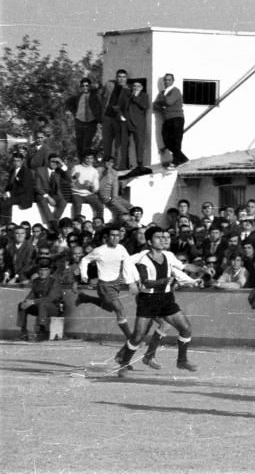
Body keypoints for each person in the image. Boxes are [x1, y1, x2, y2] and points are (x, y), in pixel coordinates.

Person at [115, 226, 201, 375]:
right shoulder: (143, 258)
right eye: (158, 237)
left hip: (166, 299)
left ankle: (181, 361)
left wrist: (203, 269)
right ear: (149, 241)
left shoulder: (168, 255)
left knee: (186, 328)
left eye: (163, 237)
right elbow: (147, 282)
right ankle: (124, 364)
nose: (163, 240)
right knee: (137, 336)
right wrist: (161, 281)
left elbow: (185, 266)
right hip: (148, 300)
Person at [77, 226, 136, 345]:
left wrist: (132, 281)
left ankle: (85, 298)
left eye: (117, 235)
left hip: (117, 282)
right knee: (119, 309)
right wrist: (84, 275)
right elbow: (85, 260)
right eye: (112, 235)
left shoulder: (121, 248)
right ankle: (131, 338)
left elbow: (128, 263)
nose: (115, 238)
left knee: (110, 308)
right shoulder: (99, 250)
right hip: (104, 284)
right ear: (107, 237)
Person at [16, 259, 63, 341]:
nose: (42, 272)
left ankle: (42, 331)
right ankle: (23, 331)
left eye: (45, 270)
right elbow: (32, 294)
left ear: (49, 271)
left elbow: (50, 298)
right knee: (21, 304)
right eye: (41, 270)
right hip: (42, 307)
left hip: (55, 308)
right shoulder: (36, 281)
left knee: (43, 304)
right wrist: (26, 301)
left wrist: (33, 301)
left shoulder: (54, 281)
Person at [153, 73, 189, 167]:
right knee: (167, 140)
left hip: (177, 118)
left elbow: (169, 101)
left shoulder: (175, 91)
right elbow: (155, 106)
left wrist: (162, 102)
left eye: (169, 80)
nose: (167, 82)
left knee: (176, 140)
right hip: (167, 119)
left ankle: (177, 161)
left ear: (173, 81)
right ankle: (183, 159)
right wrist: (162, 104)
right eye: (165, 80)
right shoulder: (161, 93)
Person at [65, 78, 103, 160]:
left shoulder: (94, 94)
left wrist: (99, 119)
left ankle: (86, 162)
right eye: (83, 86)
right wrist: (75, 112)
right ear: (81, 87)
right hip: (79, 122)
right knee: (79, 144)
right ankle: (80, 163)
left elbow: (99, 87)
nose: (85, 87)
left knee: (87, 144)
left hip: (91, 122)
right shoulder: (78, 96)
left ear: (90, 86)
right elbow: (67, 102)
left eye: (87, 85)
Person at [101, 69, 130, 165]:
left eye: (123, 77)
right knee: (106, 141)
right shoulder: (110, 85)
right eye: (119, 76)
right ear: (116, 77)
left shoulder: (128, 90)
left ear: (126, 78)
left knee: (118, 143)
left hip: (118, 119)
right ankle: (106, 163)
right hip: (107, 117)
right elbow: (101, 96)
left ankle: (116, 165)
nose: (121, 79)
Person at [31, 153, 68, 227]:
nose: (54, 163)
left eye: (56, 162)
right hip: (42, 194)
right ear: (48, 161)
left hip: (55, 195)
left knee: (63, 202)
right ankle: (52, 223)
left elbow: (69, 177)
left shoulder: (59, 171)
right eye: (52, 161)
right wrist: (48, 197)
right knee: (42, 200)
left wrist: (61, 163)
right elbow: (37, 187)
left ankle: (54, 220)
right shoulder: (40, 170)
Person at [120, 80, 149, 172]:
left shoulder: (144, 95)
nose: (135, 88)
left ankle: (140, 164)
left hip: (138, 124)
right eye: (134, 86)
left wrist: (135, 98)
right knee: (124, 143)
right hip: (127, 123)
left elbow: (144, 106)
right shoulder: (128, 95)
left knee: (139, 144)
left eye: (138, 86)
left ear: (141, 87)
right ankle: (124, 164)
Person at [1, 151, 35, 224]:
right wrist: (4, 193)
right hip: (15, 195)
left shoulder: (26, 172)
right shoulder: (12, 171)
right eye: (14, 160)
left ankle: (4, 224)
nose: (16, 162)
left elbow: (23, 188)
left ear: (22, 161)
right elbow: (10, 185)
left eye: (18, 161)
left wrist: (9, 194)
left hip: (24, 197)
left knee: (6, 203)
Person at [70, 152, 103, 221]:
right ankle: (77, 223)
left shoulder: (94, 171)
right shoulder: (76, 168)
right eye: (87, 158)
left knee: (100, 206)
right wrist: (74, 178)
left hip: (89, 194)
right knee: (78, 206)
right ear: (83, 158)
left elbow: (96, 188)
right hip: (77, 193)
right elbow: (71, 183)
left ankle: (100, 222)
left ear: (93, 159)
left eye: (91, 158)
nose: (89, 160)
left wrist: (91, 186)